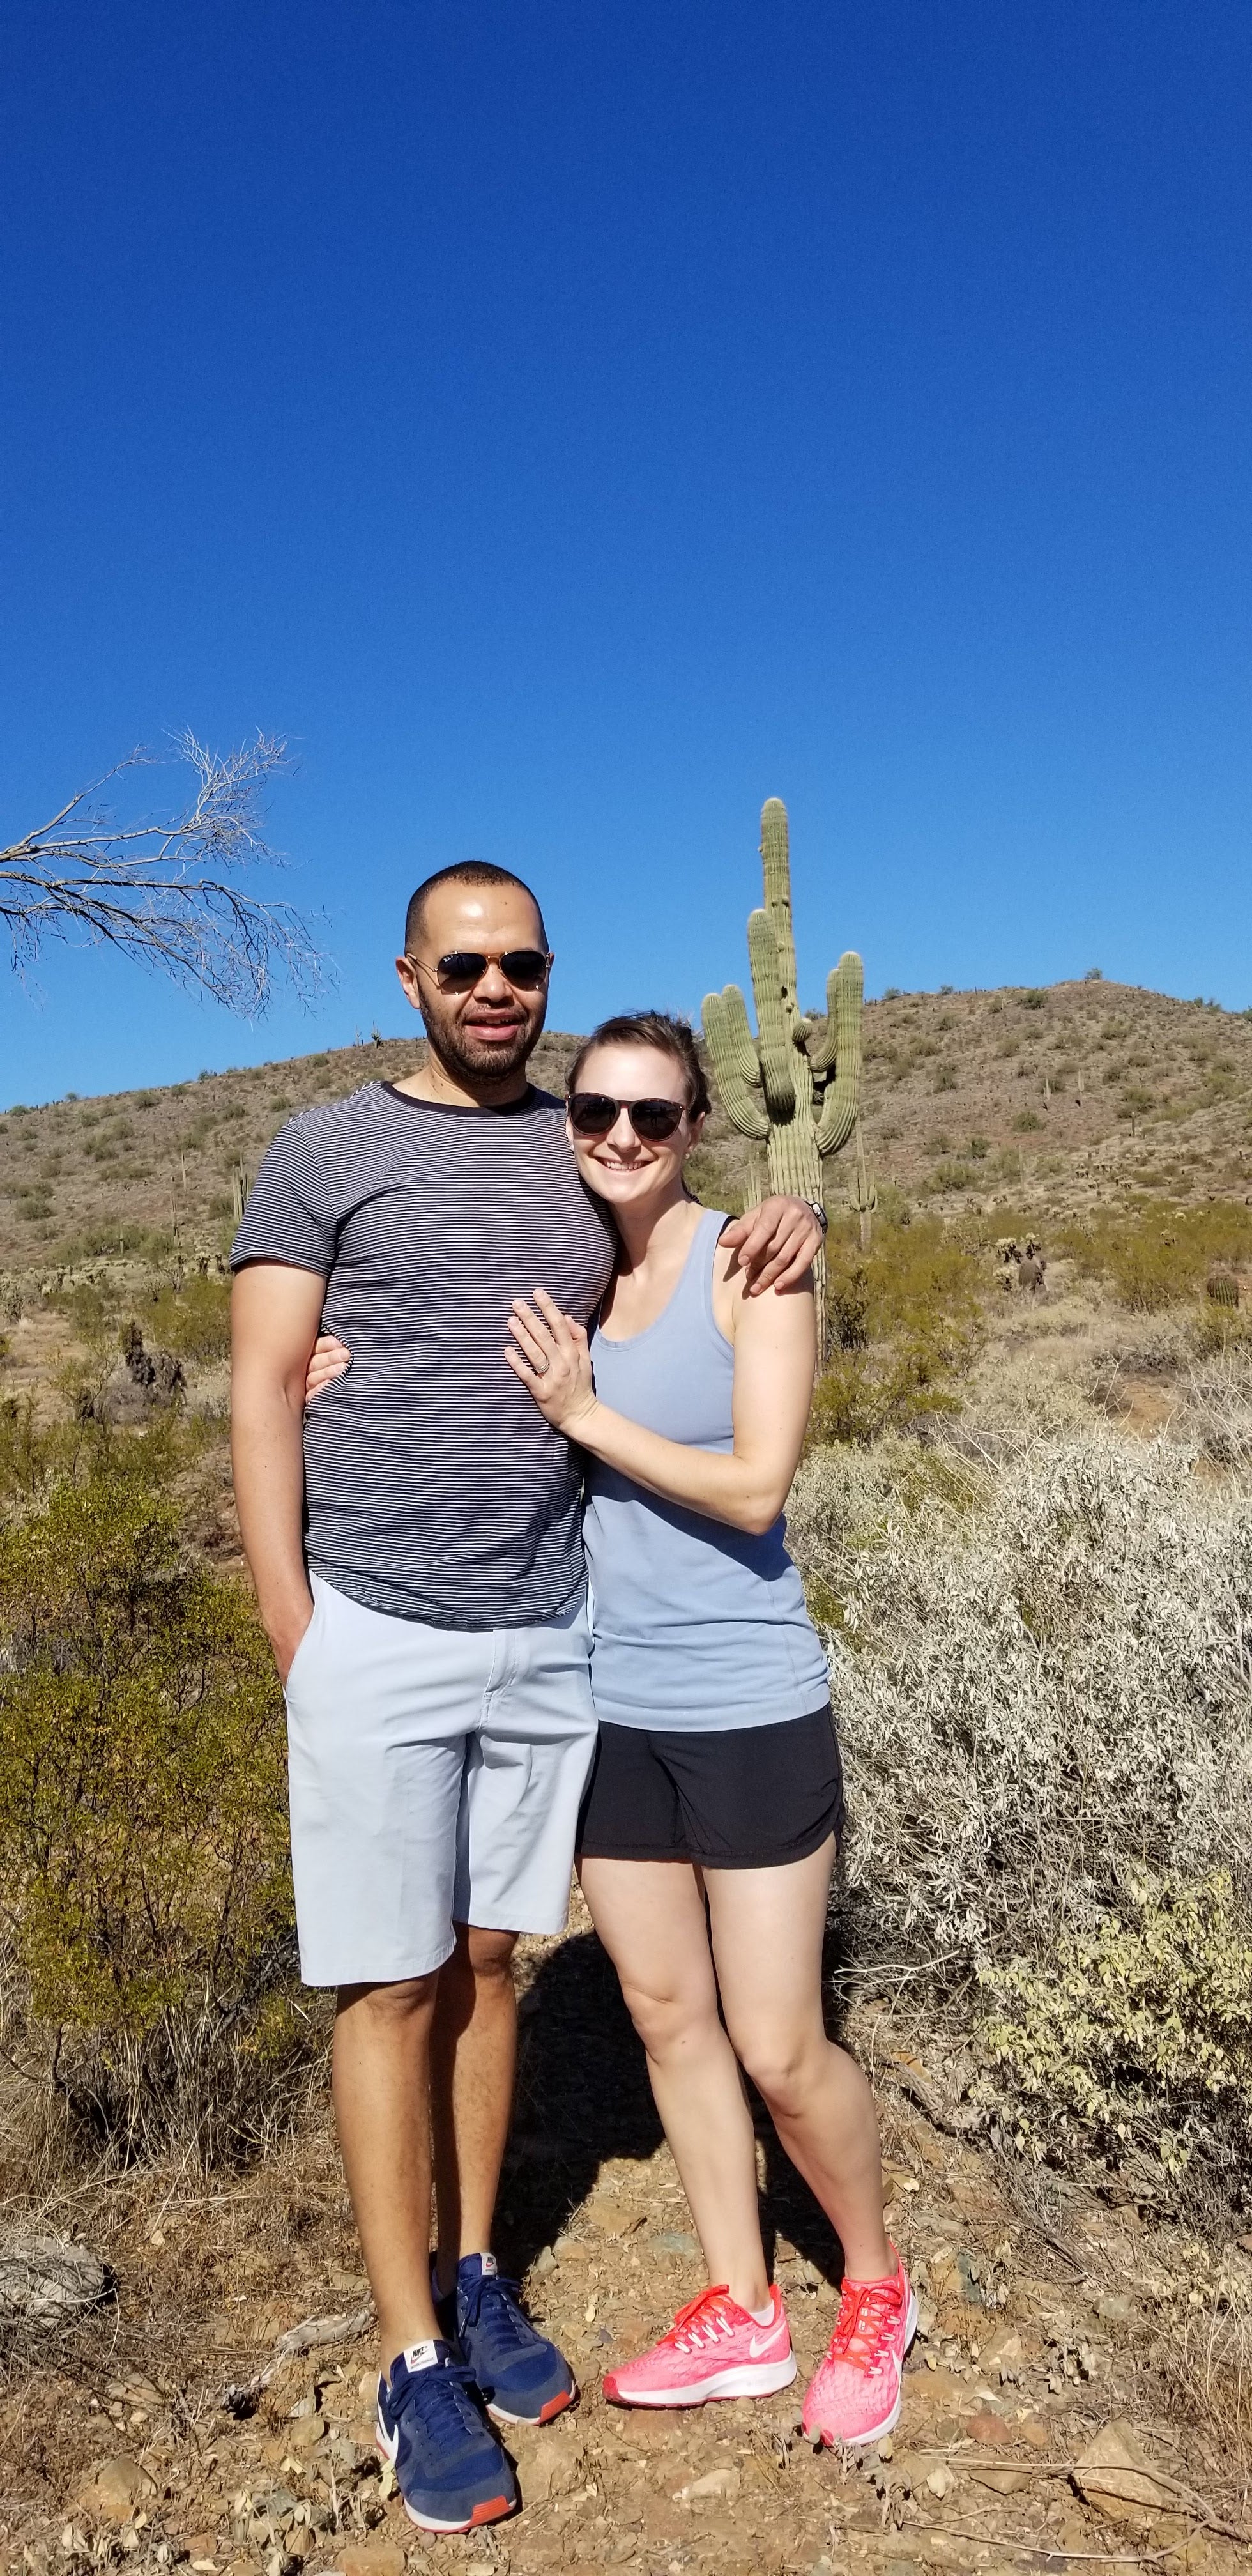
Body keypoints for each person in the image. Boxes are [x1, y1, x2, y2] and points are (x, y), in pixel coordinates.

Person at [230, 862, 821, 2537]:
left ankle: (480, 2265)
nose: (498, 988)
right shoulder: (325, 1148)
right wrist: (299, 1631)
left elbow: (686, 1237)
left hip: (545, 1630)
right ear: (411, 973)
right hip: (379, 1630)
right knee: (389, 1986)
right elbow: (267, 1386)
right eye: (466, 963)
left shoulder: (585, 1143)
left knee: (491, 1961)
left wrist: (799, 1213)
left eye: (525, 964)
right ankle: (414, 2353)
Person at [503, 1010, 914, 2448]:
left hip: (741, 1701)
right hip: (602, 1706)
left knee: (777, 2042)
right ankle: (740, 2304)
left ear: (695, 1128)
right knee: (666, 2017)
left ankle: (874, 2284)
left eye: (653, 1117)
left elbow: (753, 1489)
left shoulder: (753, 1262)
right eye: (596, 1110)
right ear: (568, 1118)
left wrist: (583, 1413)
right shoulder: (557, 1267)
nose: (620, 1137)